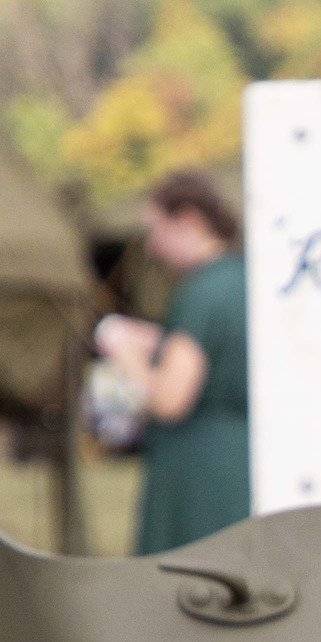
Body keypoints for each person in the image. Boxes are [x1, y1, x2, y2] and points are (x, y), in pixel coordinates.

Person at [97, 171, 250, 555]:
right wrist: (156, 339)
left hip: (197, 477)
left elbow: (170, 399)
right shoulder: (242, 280)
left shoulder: (201, 292)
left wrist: (123, 350)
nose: (151, 247)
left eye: (156, 230)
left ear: (189, 221)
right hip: (239, 468)